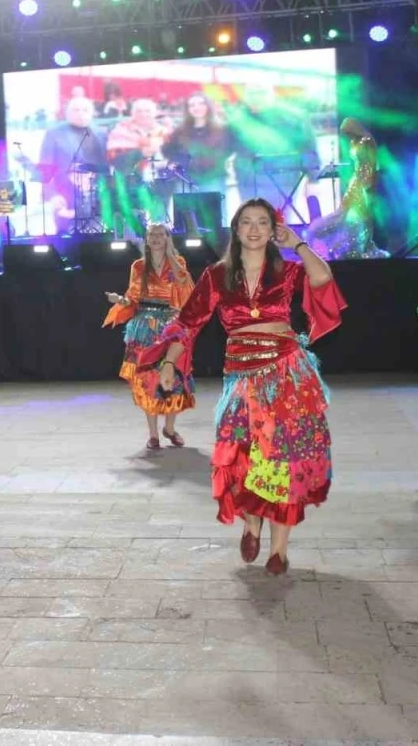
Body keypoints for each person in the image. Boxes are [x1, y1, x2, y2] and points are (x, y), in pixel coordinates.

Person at [140, 200, 346, 575]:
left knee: (285, 459)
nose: (254, 229)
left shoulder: (288, 271)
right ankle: (252, 523)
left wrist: (297, 243)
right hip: (242, 379)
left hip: (287, 375)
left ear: (272, 230)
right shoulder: (218, 276)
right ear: (235, 229)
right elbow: (188, 322)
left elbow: (322, 278)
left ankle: (279, 550)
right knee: (245, 456)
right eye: (246, 222)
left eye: (262, 222)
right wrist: (169, 362)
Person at [104, 223, 195, 449]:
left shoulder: (178, 262)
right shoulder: (138, 266)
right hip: (144, 326)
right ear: (146, 239)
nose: (155, 238)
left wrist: (170, 255)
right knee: (147, 380)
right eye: (151, 235)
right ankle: (153, 434)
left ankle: (169, 429)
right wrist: (120, 300)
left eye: (160, 234)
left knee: (174, 376)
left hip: (170, 326)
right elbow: (132, 298)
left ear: (167, 238)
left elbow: (184, 283)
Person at [304, 118, 390, 260]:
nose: (347, 136)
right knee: (346, 212)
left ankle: (361, 246)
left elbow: (372, 165)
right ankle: (350, 246)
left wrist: (369, 184)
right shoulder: (354, 142)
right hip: (356, 180)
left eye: (348, 132)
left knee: (361, 215)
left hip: (365, 182)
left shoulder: (367, 141)